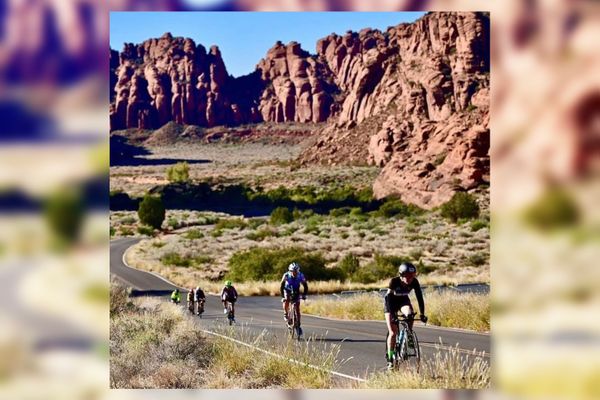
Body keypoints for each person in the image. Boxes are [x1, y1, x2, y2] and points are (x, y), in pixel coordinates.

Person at [383, 262, 428, 370]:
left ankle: (409, 333)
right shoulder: (394, 281)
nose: (409, 279)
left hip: (403, 301)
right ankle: (390, 359)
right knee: (393, 332)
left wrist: (422, 314)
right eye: (407, 276)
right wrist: (393, 315)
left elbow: (419, 298)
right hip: (391, 303)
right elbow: (388, 298)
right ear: (401, 275)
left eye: (412, 276)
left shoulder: (414, 282)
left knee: (410, 315)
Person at [280, 262, 308, 336]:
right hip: (287, 290)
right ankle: (286, 313)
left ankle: (298, 325)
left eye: (296, 271)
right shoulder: (286, 275)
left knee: (297, 308)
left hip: (296, 291)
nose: (295, 273)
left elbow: (305, 286)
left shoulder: (301, 276)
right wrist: (283, 297)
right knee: (286, 300)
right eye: (293, 271)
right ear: (290, 271)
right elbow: (282, 286)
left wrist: (304, 295)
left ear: (298, 271)